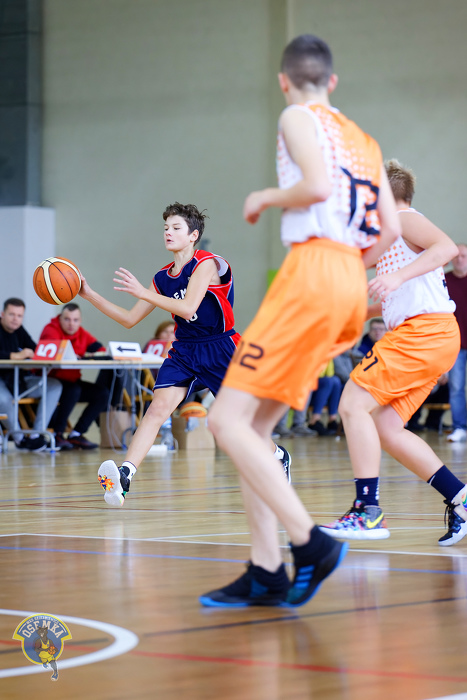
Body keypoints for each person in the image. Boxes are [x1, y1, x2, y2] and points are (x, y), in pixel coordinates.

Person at [200, 34, 400, 608]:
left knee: (224, 421)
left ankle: (310, 543)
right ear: (332, 80)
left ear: (284, 80)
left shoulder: (295, 116)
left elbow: (315, 185)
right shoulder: (364, 140)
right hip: (348, 280)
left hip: (312, 272)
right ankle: (266, 569)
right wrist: (347, 269)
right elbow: (389, 230)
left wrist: (264, 196)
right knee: (254, 430)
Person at [77, 202, 291, 505]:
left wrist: (144, 293)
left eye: (176, 227)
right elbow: (129, 319)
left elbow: (189, 307)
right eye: (166, 227)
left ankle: (278, 456)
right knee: (157, 408)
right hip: (185, 350)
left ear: (193, 235)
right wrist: (89, 295)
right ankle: (124, 477)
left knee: (242, 423)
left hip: (221, 347)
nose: (168, 232)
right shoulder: (162, 278)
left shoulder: (208, 264)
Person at [322, 159, 467, 546]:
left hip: (424, 332)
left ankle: (367, 511)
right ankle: (461, 498)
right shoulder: (392, 239)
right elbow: (382, 292)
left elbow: (447, 247)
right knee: (386, 427)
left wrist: (396, 276)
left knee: (352, 405)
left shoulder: (403, 219)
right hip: (431, 335)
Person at [39, 303, 111, 450]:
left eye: (75, 320)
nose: (71, 324)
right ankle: (58, 434)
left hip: (72, 381)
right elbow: (57, 353)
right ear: (60, 318)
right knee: (73, 390)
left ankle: (76, 433)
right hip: (50, 381)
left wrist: (91, 354)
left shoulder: (82, 333)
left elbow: (101, 349)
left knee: (102, 393)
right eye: (67, 319)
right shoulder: (51, 330)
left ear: (80, 321)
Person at [0, 298, 62, 452]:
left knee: (54, 386)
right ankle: (19, 438)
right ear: (2, 314)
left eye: (19, 315)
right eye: (12, 314)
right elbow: (16, 355)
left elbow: (35, 349)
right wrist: (15, 356)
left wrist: (34, 355)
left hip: (18, 380)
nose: (15, 319)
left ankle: (37, 434)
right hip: (2, 381)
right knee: (3, 398)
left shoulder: (19, 330)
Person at [445, 244, 467, 442]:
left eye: (464, 256)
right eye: (457, 256)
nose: (460, 259)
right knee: (456, 388)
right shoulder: (443, 280)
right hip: (455, 345)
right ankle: (459, 427)